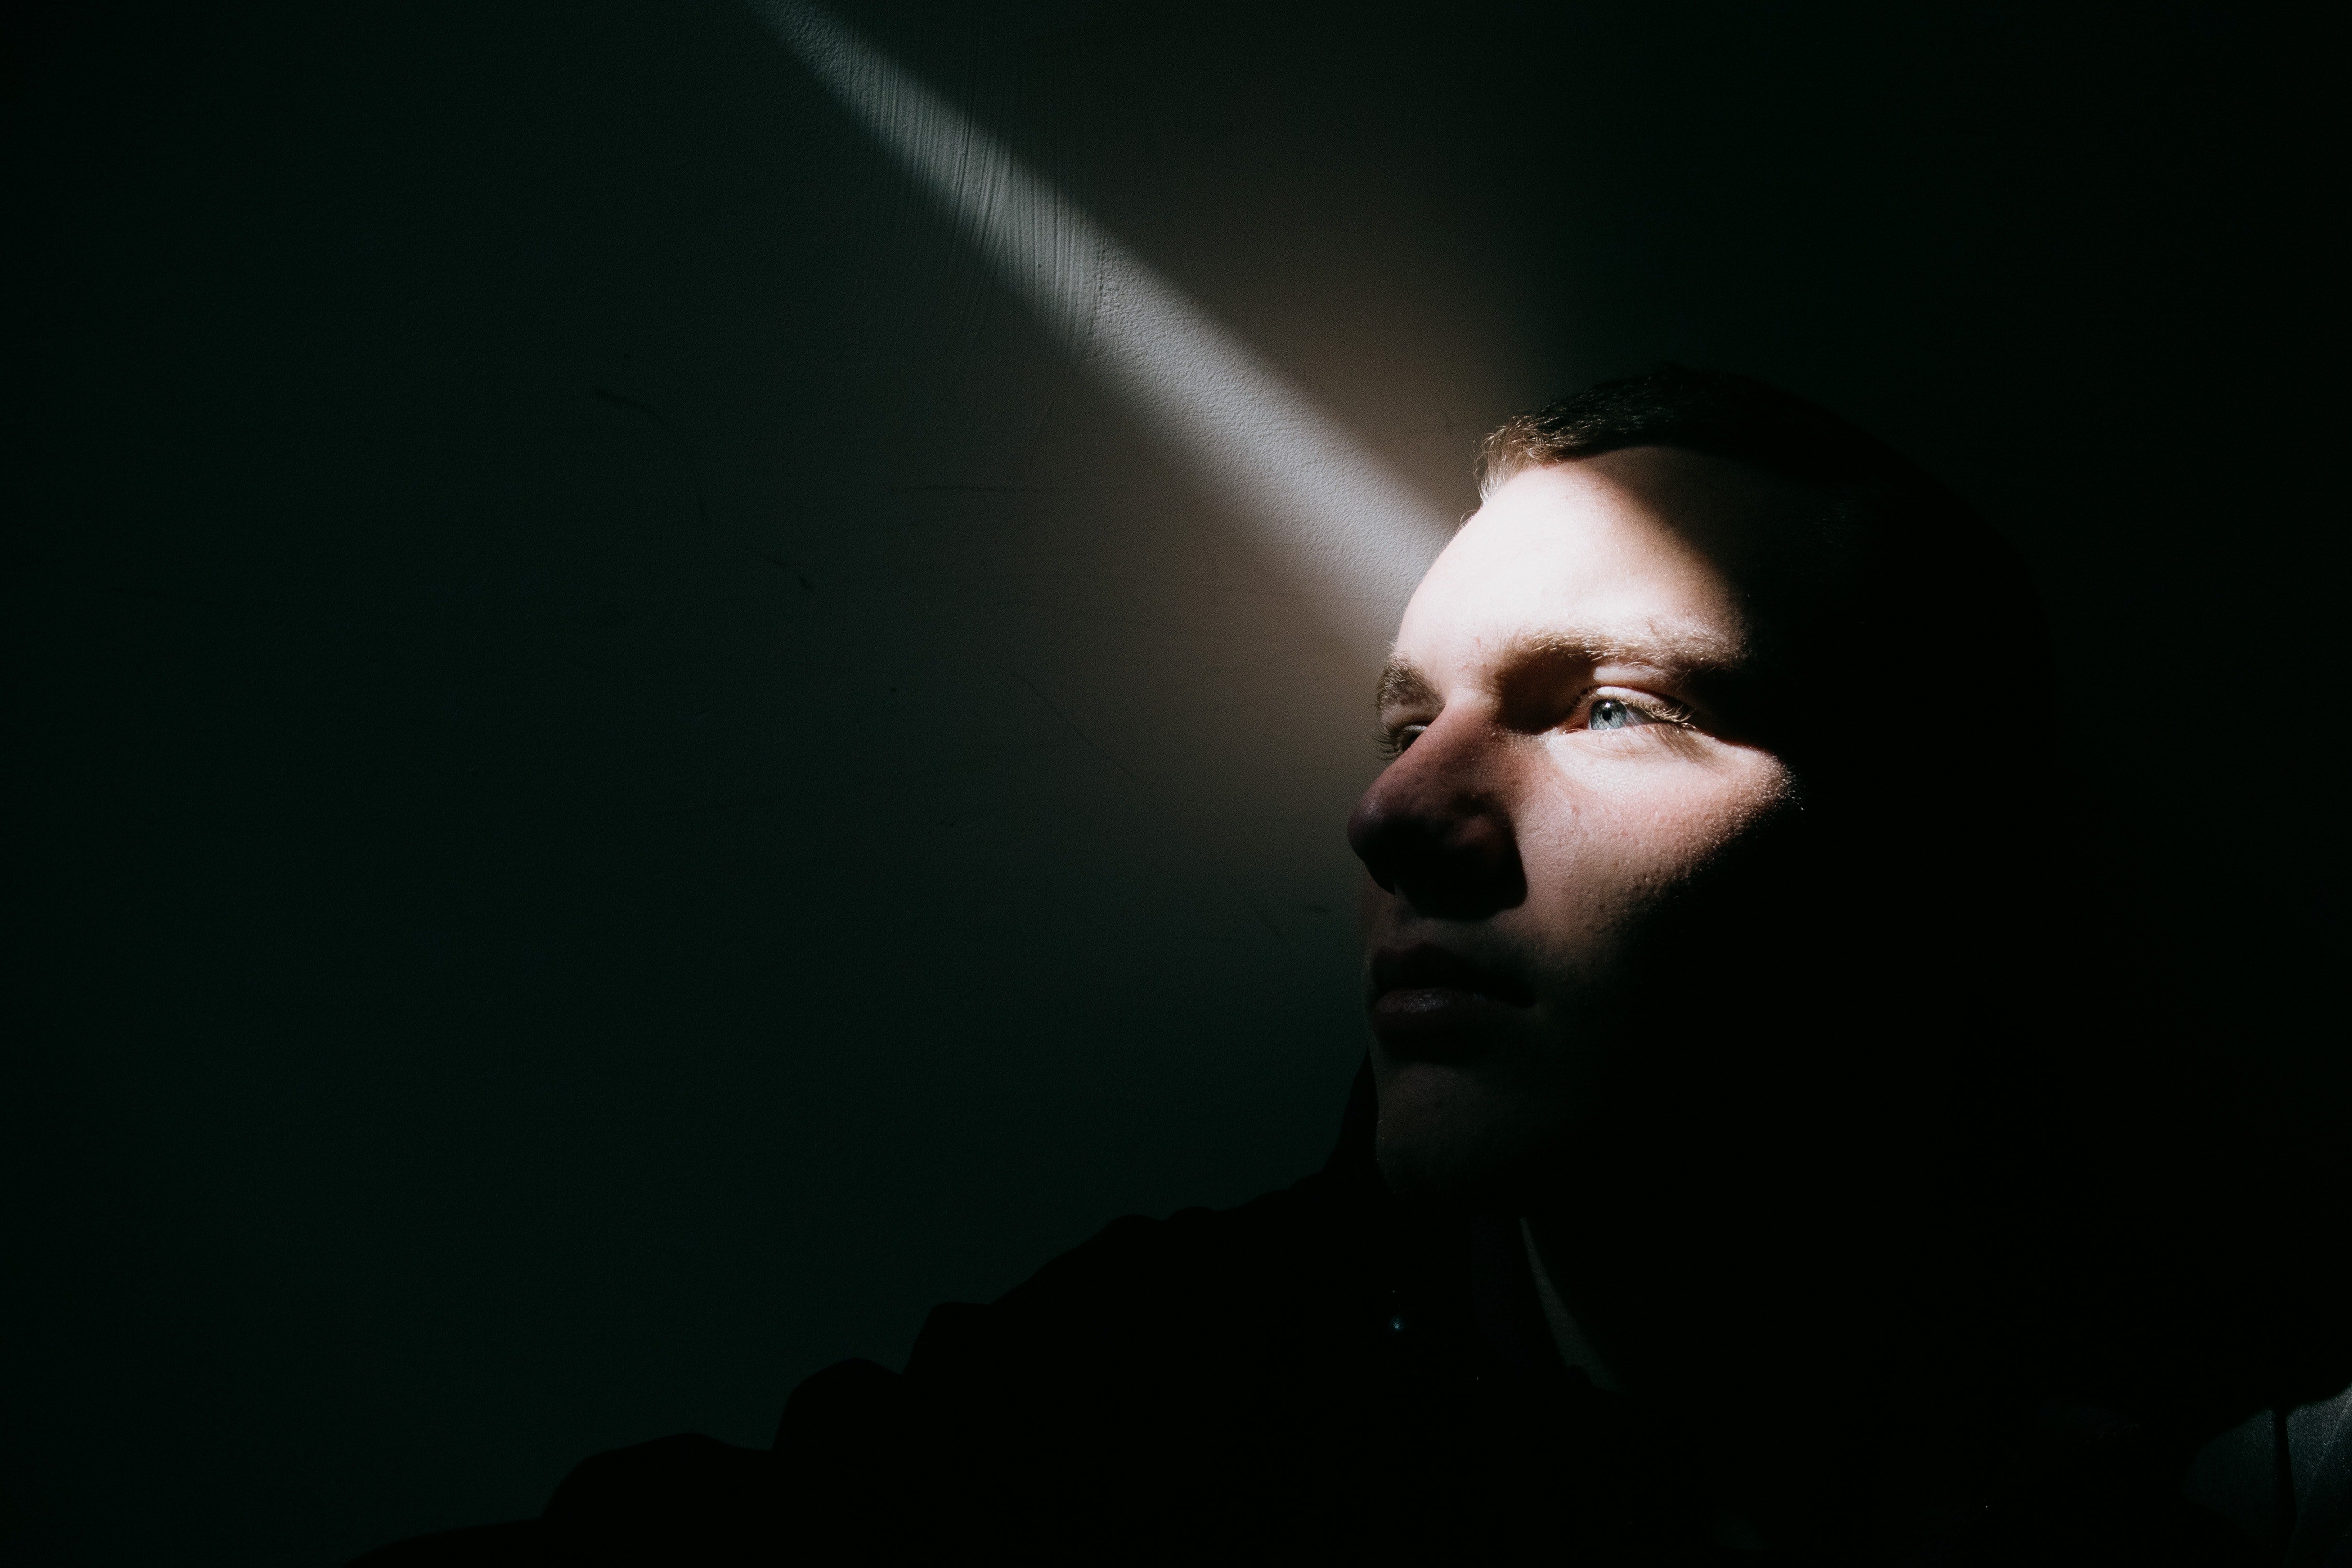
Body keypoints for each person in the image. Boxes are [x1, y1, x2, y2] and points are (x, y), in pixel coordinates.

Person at [358, 368, 2345, 1566]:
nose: (1397, 818)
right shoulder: (1134, 1421)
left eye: (1610, 708)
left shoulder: (2229, 1439)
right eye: (1402, 721)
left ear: (1922, 861)